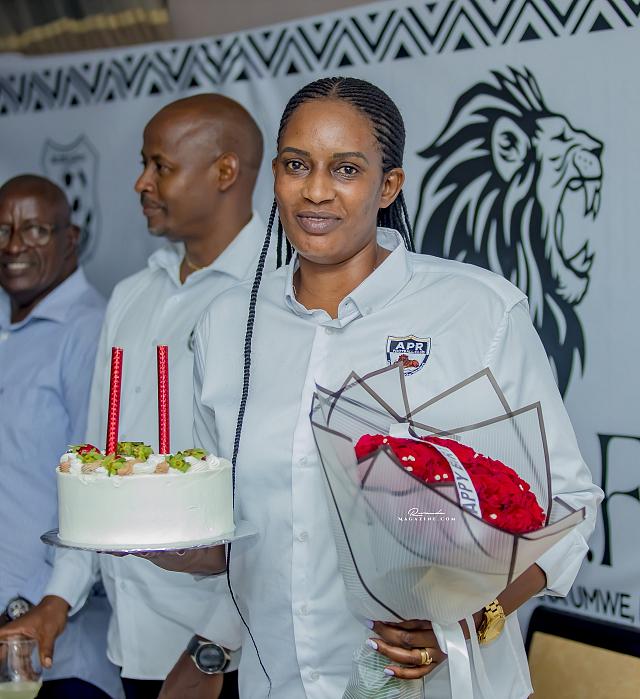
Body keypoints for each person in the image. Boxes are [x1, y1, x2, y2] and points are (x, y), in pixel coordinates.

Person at [151, 76, 603, 698]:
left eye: (346, 169)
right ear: (275, 175)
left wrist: (473, 622)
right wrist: (164, 545)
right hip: (281, 683)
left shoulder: (478, 311)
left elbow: (571, 508)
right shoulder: (228, 325)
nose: (316, 191)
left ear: (389, 186)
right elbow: (242, 534)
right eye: (296, 165)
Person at [1, 94, 266, 699]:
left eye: (160, 166)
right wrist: (58, 599)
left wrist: (213, 646)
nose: (141, 183)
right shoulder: (133, 295)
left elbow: (280, 508)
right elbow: (96, 469)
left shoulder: (274, 293)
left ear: (225, 172)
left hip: (229, 654)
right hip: (135, 641)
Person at [0, 174, 123, 698]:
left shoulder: (90, 329)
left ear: (71, 239)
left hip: (51, 643)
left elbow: (94, 486)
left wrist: (32, 602)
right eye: (2, 230)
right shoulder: (6, 323)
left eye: (35, 230)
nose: (13, 246)